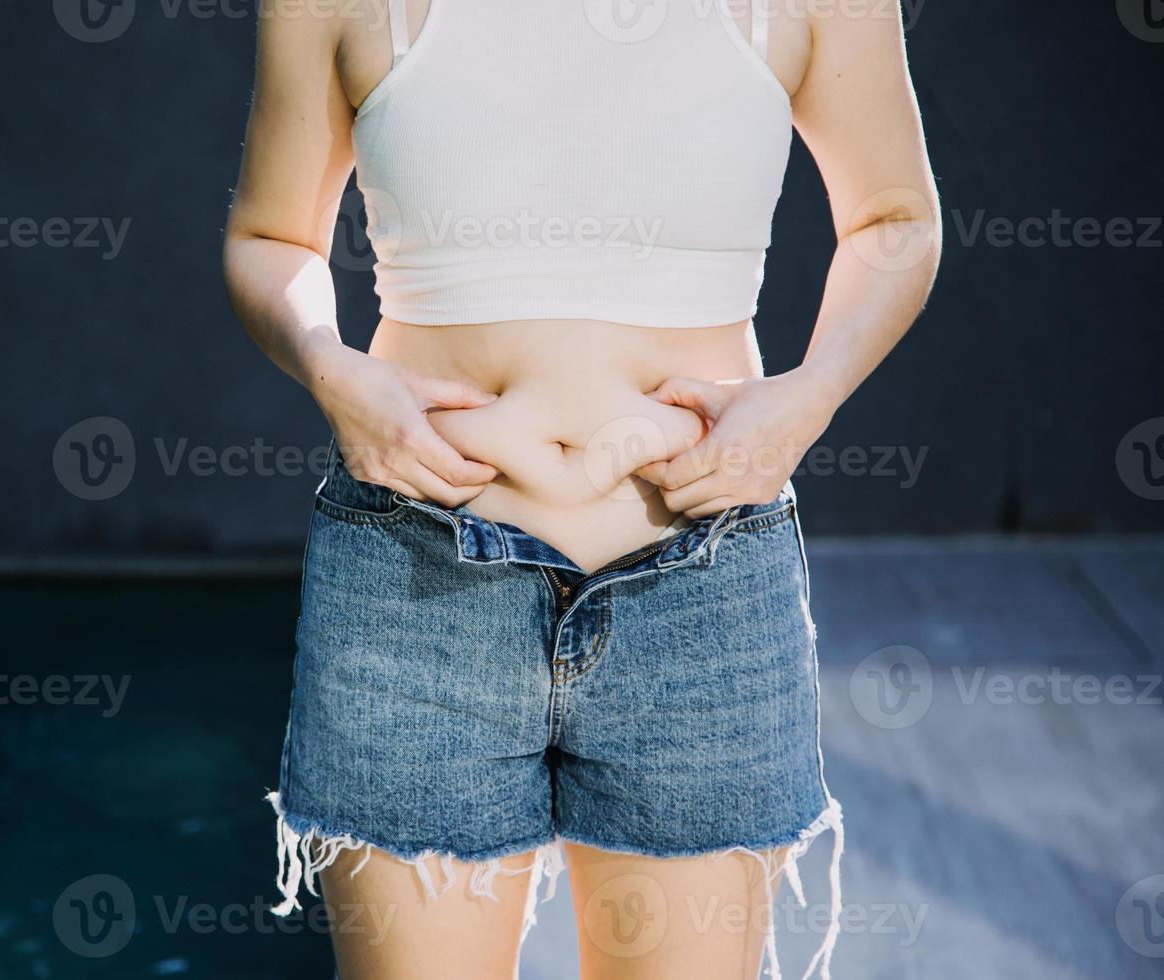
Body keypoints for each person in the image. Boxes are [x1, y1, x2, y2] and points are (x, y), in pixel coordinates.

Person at [223, 1, 940, 976]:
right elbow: (271, 236)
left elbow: (896, 219)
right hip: (416, 578)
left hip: (701, 587)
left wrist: (806, 398)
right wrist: (327, 362)